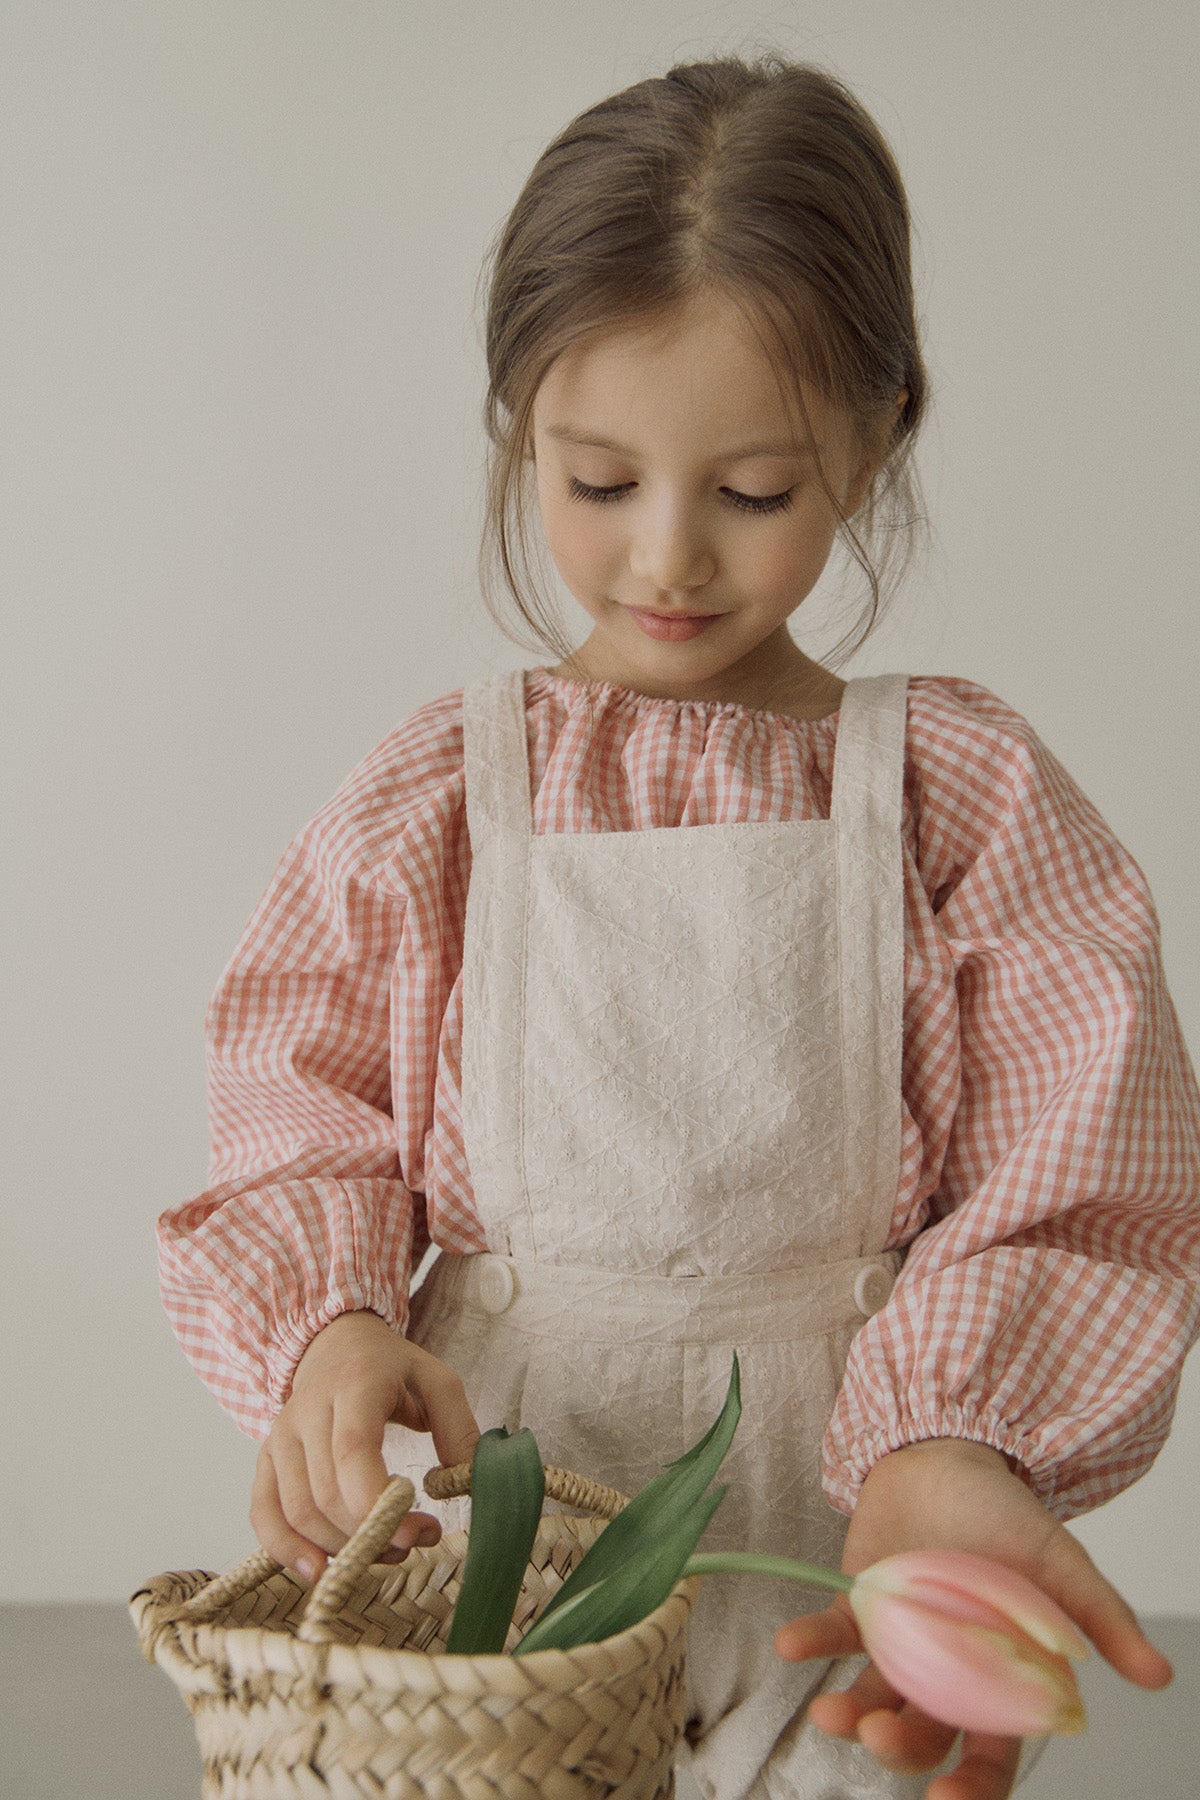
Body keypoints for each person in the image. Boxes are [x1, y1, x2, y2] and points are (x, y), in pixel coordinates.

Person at [157, 56, 1199, 1800]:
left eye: (755, 492)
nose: (668, 559)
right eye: (596, 478)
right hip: (514, 1542)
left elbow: (1080, 1165)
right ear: (518, 428)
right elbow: (298, 1092)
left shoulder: (963, 798)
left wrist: (954, 1448)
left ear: (879, 432)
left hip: (843, 1535)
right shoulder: (447, 795)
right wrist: (330, 1327)